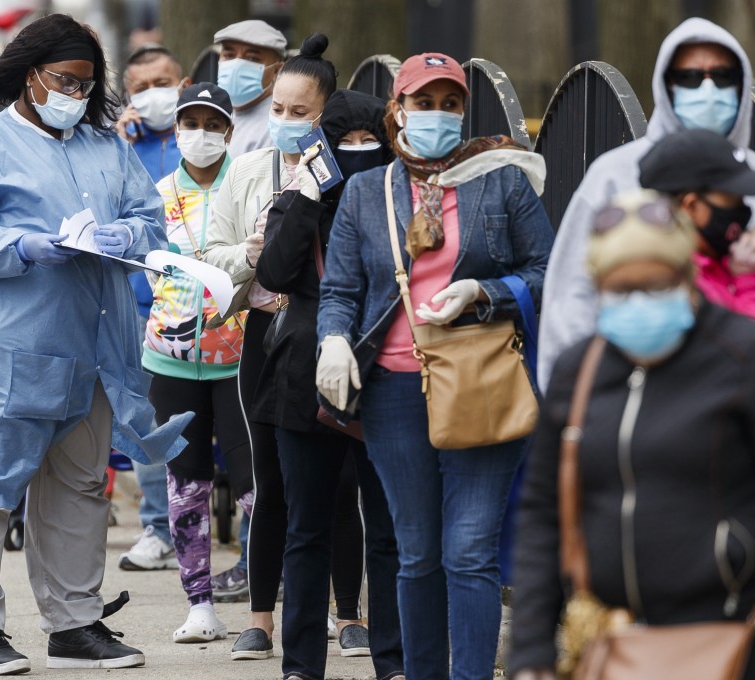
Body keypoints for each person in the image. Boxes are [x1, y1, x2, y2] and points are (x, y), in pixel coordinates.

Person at [0, 14, 187, 675]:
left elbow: (153, 223)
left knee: (79, 486)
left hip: (95, 349)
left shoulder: (103, 145)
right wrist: (21, 245)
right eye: (64, 80)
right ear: (29, 76)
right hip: (14, 348)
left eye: (87, 84)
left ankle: (74, 623)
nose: (75, 93)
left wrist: (130, 235)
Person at [508, 189, 755, 680]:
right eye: (620, 289)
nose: (638, 302)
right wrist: (530, 653)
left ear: (687, 275)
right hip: (615, 646)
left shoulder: (754, 358)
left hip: (743, 642)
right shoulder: (580, 371)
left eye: (656, 284)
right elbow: (544, 513)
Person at [316, 52, 553, 679]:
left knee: (469, 554)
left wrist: (485, 292)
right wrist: (332, 339)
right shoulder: (367, 191)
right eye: (425, 103)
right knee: (416, 552)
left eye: (451, 104)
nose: (439, 115)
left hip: (482, 379)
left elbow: (547, 271)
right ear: (399, 109)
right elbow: (339, 288)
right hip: (393, 389)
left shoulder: (501, 180)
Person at [536, 17, 755, 420]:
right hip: (626, 414)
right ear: (665, 84)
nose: (708, 90)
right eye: (689, 77)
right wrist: (575, 415)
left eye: (723, 76)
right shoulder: (612, 177)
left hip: (750, 424)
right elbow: (570, 303)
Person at [203, 35, 373, 667]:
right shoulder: (246, 169)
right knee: (273, 482)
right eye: (278, 108)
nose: (284, 122)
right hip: (269, 344)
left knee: (343, 487)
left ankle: (349, 612)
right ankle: (260, 619)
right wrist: (249, 263)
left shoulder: (357, 175)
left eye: (300, 113)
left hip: (340, 346)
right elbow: (212, 252)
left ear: (328, 115)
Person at [253, 60, 404, 678]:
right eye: (346, 141)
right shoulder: (302, 194)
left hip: (385, 377)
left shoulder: (399, 198)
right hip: (302, 377)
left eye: (372, 140)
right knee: (305, 527)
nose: (360, 152)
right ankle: (299, 665)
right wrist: (307, 197)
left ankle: (393, 660)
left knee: (388, 532)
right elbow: (273, 274)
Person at [129, 82, 254, 643]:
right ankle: (199, 604)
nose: (199, 134)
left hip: (242, 359)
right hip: (172, 361)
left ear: (229, 130)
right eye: (189, 123)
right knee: (186, 484)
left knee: (259, 484)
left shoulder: (248, 185)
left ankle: (280, 595)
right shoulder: (155, 194)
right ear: (176, 130)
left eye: (211, 123)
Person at [113, 43, 188, 575]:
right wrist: (112, 140)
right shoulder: (119, 147)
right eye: (141, 87)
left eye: (163, 81)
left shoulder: (203, 135)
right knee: (146, 418)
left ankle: (221, 532)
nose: (154, 94)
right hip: (142, 304)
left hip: (211, 301)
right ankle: (158, 529)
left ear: (182, 83)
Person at [638, 128, 755, 336]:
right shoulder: (670, 280)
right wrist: (754, 281)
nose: (743, 211)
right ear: (691, 206)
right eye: (732, 198)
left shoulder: (724, 261)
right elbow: (745, 356)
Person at [214, 19, 285, 157]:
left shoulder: (277, 128)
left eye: (252, 59)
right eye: (229, 55)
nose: (236, 65)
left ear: (277, 71)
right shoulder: (213, 113)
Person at [116, 44, 186, 181]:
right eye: (141, 89)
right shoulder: (120, 142)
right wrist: (120, 148)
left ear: (183, 87)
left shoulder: (199, 137)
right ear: (128, 97)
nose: (153, 94)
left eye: (162, 84)